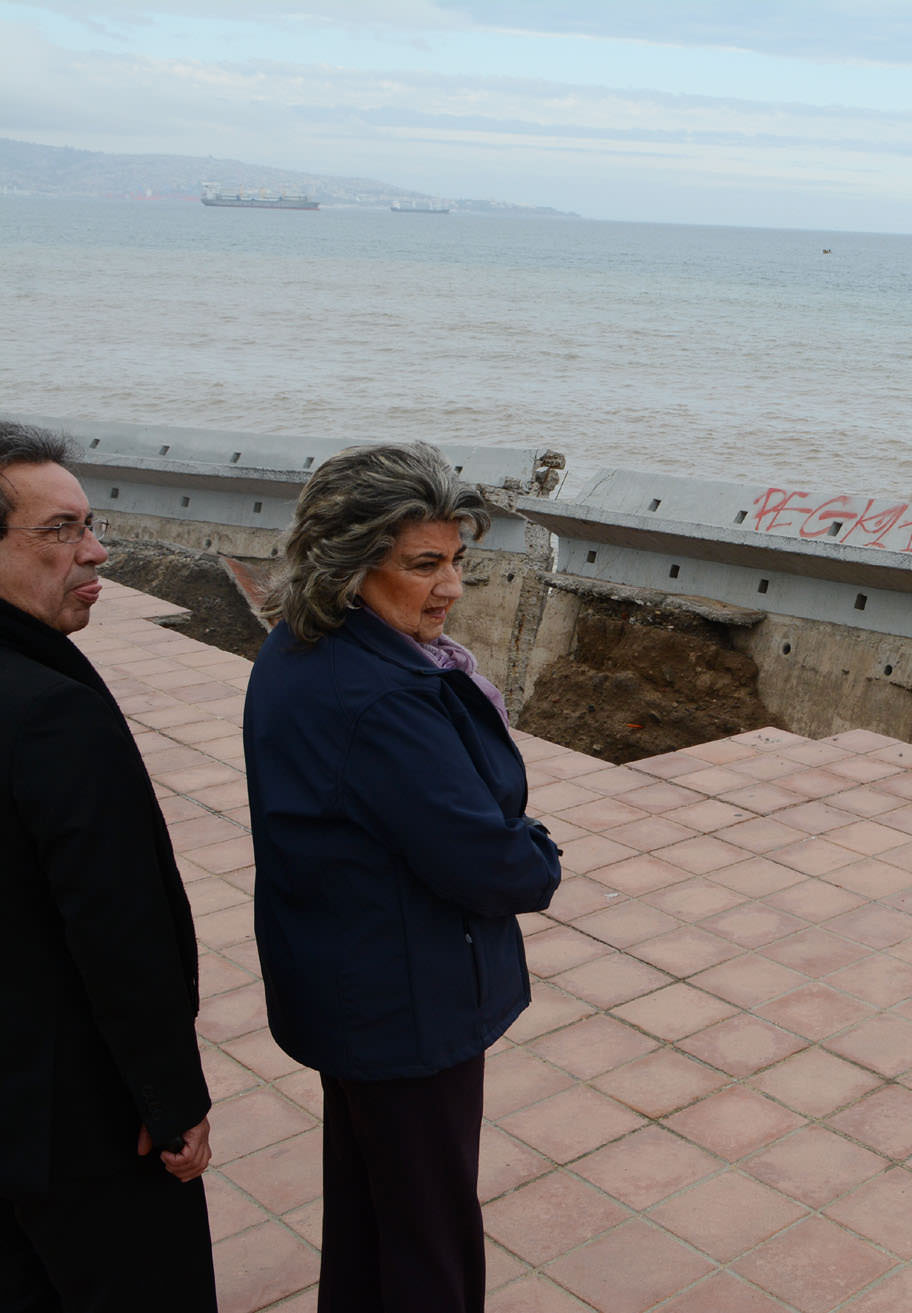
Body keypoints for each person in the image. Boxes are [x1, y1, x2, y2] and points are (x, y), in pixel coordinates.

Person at [243, 441, 560, 1313]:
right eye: (424, 564)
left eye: (457, 560)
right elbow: (497, 864)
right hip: (405, 1003)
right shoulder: (383, 696)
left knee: (373, 1212)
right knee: (428, 1233)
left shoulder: (299, 648)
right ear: (349, 564)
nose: (451, 586)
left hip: (348, 983)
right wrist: (538, 848)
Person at [0, 420, 216, 1311]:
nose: (95, 552)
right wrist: (172, 1102)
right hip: (69, 1116)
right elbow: (119, 930)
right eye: (60, 531)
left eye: (90, 525)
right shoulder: (51, 712)